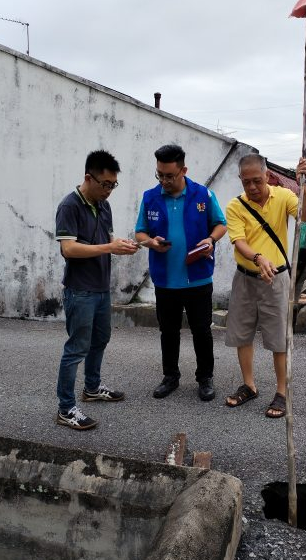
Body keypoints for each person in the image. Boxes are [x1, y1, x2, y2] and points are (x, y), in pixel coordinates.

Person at [224, 153, 306, 418]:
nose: (252, 187)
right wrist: (257, 257)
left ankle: (282, 393)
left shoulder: (283, 196)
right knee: (242, 335)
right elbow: (239, 241)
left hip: (277, 279)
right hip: (245, 277)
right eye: (246, 182)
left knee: (278, 338)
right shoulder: (235, 206)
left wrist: (304, 188)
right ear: (240, 180)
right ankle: (249, 385)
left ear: (267, 176)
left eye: (256, 181)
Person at [135, 144, 227, 401]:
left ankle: (205, 378)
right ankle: (170, 376)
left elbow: (220, 224)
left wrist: (210, 240)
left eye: (169, 176)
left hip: (197, 277)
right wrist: (151, 242)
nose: (164, 181)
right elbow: (140, 232)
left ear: (183, 170)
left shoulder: (203, 195)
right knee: (169, 331)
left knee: (202, 331)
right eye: (160, 175)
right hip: (165, 279)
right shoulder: (150, 197)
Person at [55, 150, 139, 430]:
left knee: (100, 339)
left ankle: (92, 388)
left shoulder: (104, 205)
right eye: (105, 184)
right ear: (88, 178)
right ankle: (65, 409)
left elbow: (109, 239)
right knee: (76, 348)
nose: (109, 191)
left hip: (101, 288)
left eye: (113, 185)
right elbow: (68, 248)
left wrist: (126, 245)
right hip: (80, 290)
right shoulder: (70, 205)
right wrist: (110, 247)